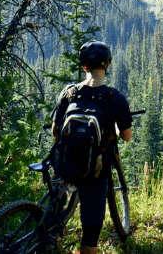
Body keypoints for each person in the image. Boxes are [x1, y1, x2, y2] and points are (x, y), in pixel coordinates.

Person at [50, 41, 133, 254]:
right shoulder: (115, 98)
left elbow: (55, 131)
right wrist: (112, 131)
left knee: (53, 216)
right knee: (91, 228)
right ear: (107, 65)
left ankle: (47, 232)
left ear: (83, 66)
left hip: (65, 165)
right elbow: (126, 137)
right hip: (95, 172)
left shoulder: (68, 93)